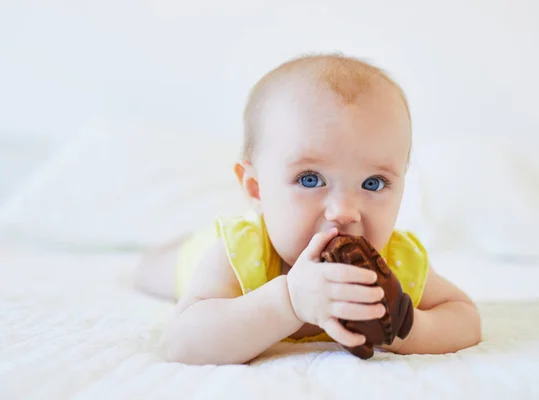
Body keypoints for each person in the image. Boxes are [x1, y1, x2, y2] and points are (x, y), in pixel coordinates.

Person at [135, 53, 482, 365]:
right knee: (161, 268)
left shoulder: (395, 261)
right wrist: (287, 301)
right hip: (198, 256)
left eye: (373, 183)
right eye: (311, 179)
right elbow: (180, 342)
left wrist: (406, 326)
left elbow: (464, 316)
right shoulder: (239, 253)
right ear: (256, 188)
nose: (345, 211)